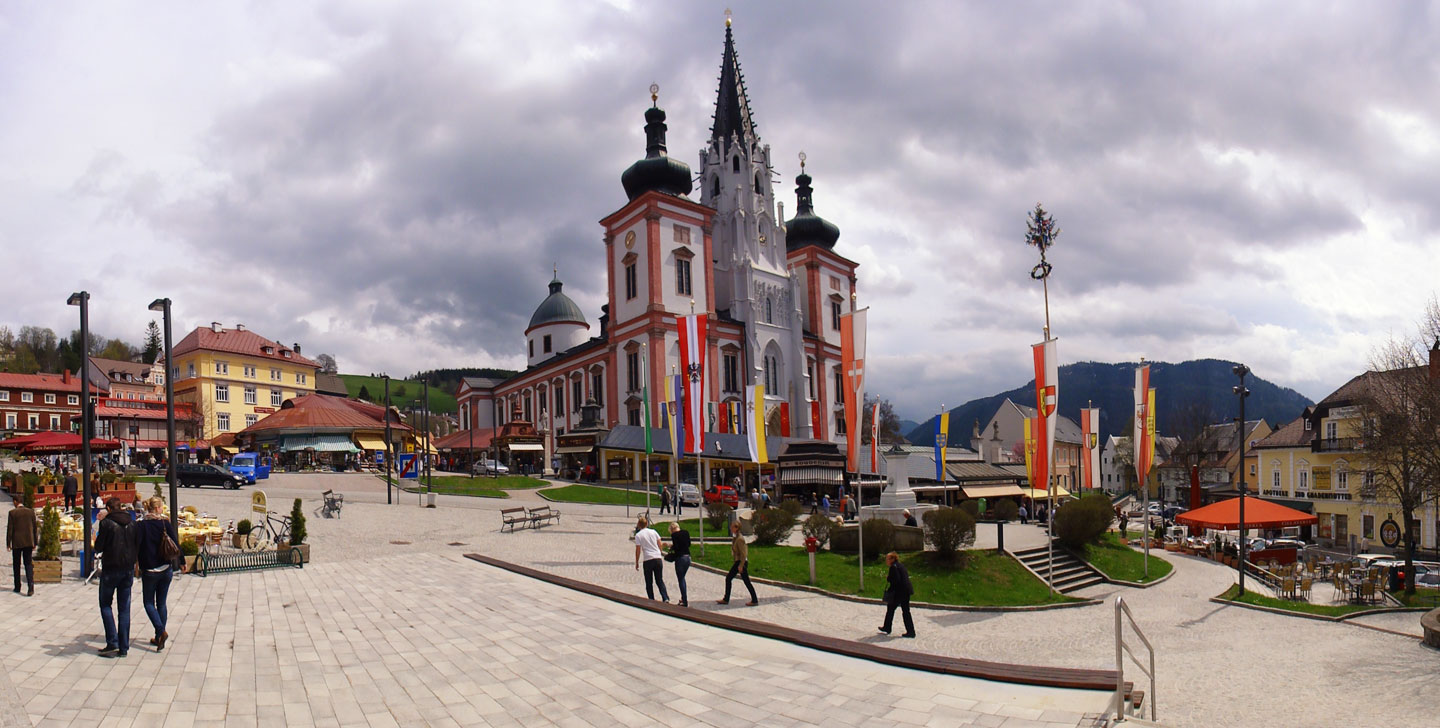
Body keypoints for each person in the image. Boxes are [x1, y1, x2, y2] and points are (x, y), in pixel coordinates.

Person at [93, 497, 138, 657]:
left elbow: (99, 547)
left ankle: (112, 641)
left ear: (109, 509)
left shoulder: (107, 524)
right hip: (127, 568)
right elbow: (136, 544)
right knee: (124, 608)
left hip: (111, 568)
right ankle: (124, 646)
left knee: (105, 604)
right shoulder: (133, 523)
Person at [134, 497, 179, 651]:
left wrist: (135, 563)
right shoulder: (164, 523)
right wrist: (183, 561)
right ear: (157, 508)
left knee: (148, 602)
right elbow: (175, 542)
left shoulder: (141, 525)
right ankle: (160, 635)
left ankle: (160, 631)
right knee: (161, 603)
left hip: (150, 569)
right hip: (166, 567)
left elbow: (137, 546)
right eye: (161, 507)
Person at [717, 521, 758, 606]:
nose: (731, 528)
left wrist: (741, 565)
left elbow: (744, 553)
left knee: (735, 579)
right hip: (738, 562)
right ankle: (726, 599)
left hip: (741, 562)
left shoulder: (740, 539)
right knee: (734, 579)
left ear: (736, 528)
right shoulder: (736, 537)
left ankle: (754, 600)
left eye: (732, 527)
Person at [878, 551, 915, 638]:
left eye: (887, 559)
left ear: (893, 559)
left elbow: (896, 581)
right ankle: (911, 631)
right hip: (906, 591)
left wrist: (889, 579)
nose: (886, 561)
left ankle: (887, 627)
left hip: (899, 592)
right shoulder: (901, 566)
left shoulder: (893, 567)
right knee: (905, 611)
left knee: (891, 608)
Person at [632, 516, 669, 603]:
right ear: (647, 524)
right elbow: (659, 543)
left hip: (648, 559)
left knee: (649, 582)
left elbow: (638, 550)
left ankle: (651, 599)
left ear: (638, 525)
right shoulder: (653, 532)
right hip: (657, 558)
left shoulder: (638, 535)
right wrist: (659, 552)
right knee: (659, 579)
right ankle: (665, 597)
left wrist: (637, 561)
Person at [7, 493, 36, 597]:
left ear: (15, 502)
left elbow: (10, 529)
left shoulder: (12, 513)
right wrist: (35, 542)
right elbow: (34, 528)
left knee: (16, 564)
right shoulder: (30, 512)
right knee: (28, 564)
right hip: (28, 541)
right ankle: (30, 587)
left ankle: (17, 586)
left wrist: (8, 543)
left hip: (17, 542)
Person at [667, 522, 692, 607]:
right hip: (688, 558)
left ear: (671, 529)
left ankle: (684, 600)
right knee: (682, 578)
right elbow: (689, 544)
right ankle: (683, 598)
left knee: (681, 579)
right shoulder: (686, 532)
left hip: (680, 559)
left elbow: (677, 548)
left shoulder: (674, 536)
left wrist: (671, 547)